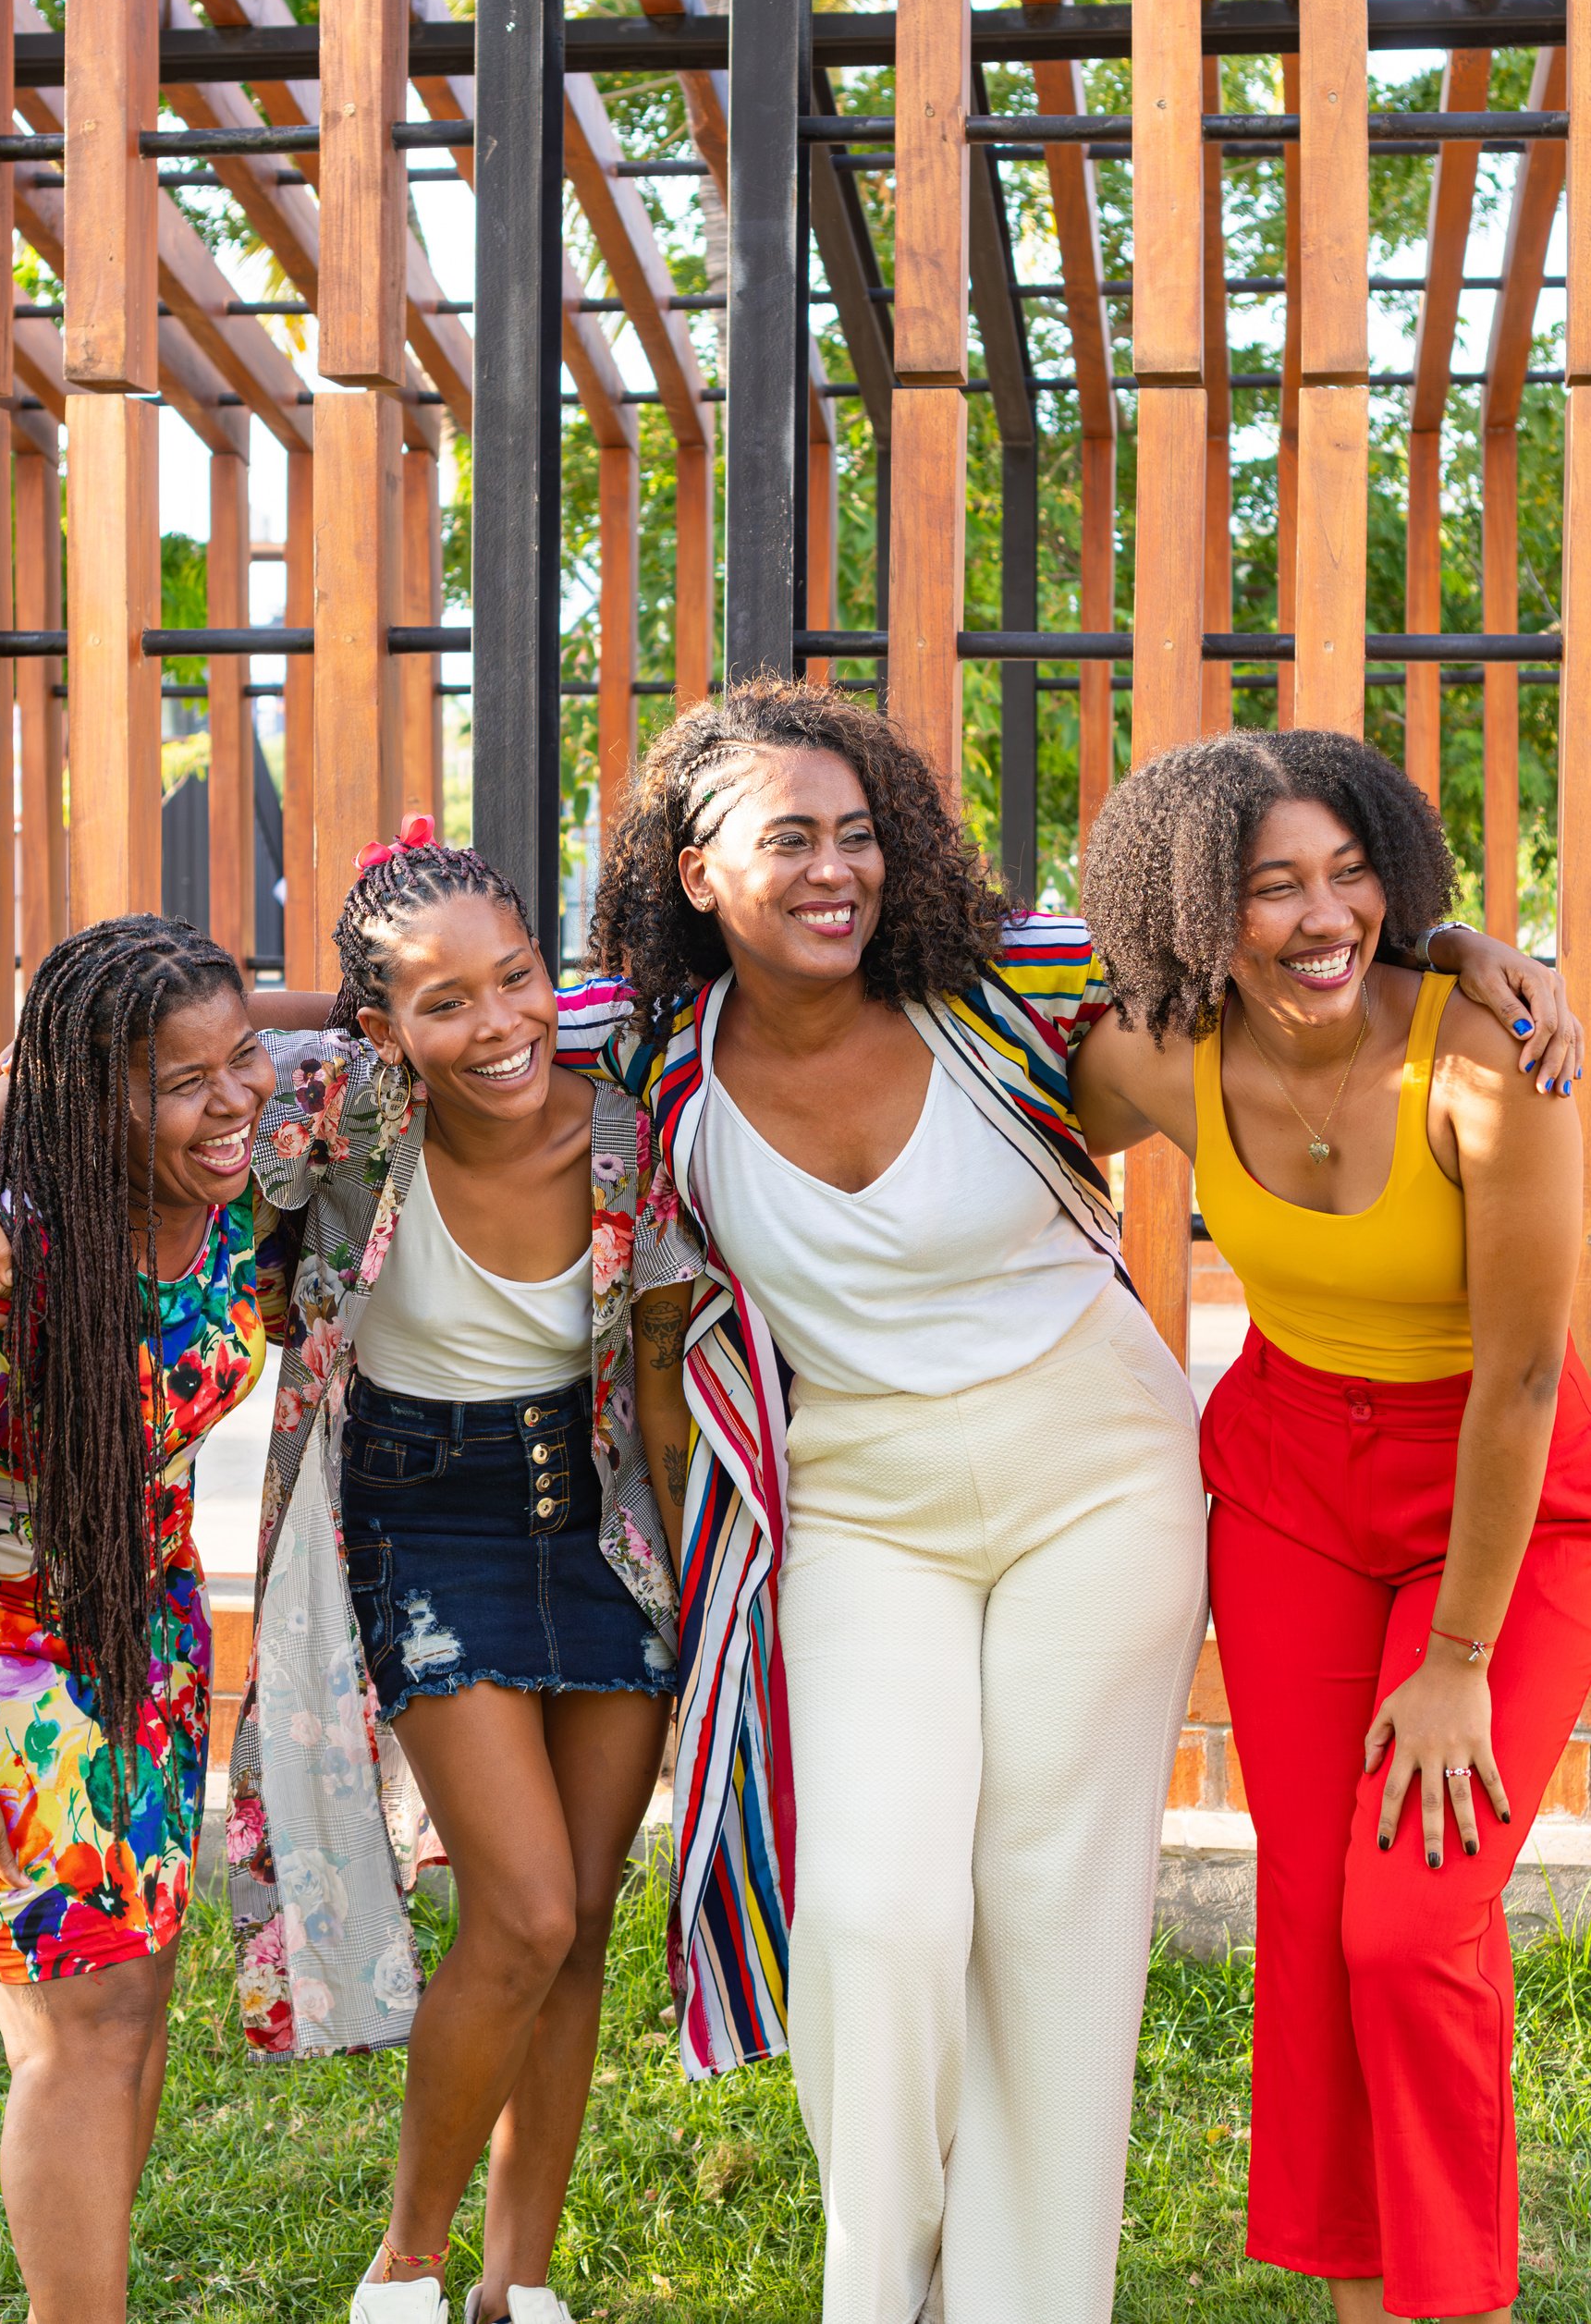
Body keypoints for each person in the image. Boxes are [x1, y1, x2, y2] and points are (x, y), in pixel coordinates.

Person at [571, 683, 1571, 2324]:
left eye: (855, 834)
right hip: (891, 1503)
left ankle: (1035, 2303)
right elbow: (437, 1014)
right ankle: (879, 2288)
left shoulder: (996, 985)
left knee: (1059, 1914)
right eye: (786, 842)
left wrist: (1470, 948)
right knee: (875, 1917)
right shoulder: (653, 1052)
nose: (835, 872)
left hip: (1101, 1479)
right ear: (694, 875)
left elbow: (1300, 949)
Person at [0, 827, 702, 2324]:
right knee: (518, 1909)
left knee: (576, 1919)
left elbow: (655, 1354)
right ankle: (401, 2264)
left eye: (517, 979)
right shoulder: (334, 1120)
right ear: (378, 1026)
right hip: (386, 1529)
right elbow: (79, 1048)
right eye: (442, 1001)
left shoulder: (625, 1126)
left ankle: (514, 2288)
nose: (498, 1023)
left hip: (587, 1530)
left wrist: (699, 1569)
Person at [1072, 727, 1591, 2324]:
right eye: (1269, 886)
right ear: (1187, 913)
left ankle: (1457, 2300)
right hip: (1290, 1483)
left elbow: (1517, 1381)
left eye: (1355, 875)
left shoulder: (1487, 1061)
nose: (1322, 917)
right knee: (1306, 1913)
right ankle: (1360, 2297)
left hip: (1503, 1503)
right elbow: (982, 1006)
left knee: (1407, 1920)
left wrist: (1454, 1659)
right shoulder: (1154, 1055)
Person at [0, 916, 274, 2324]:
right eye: (178, 1078)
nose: (232, 1100)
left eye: (242, 1057)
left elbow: (371, 1005)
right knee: (86, 2023)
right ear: (89, 1097)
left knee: (123, 2009)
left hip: (135, 1620)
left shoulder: (235, 1169)